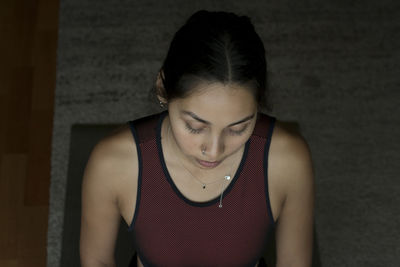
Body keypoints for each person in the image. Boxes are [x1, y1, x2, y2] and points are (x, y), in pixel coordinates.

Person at [79, 10, 314, 267]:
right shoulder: (112, 163)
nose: (214, 151)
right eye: (194, 126)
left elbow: (294, 262)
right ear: (162, 88)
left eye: (238, 129)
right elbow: (97, 260)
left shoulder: (288, 160)